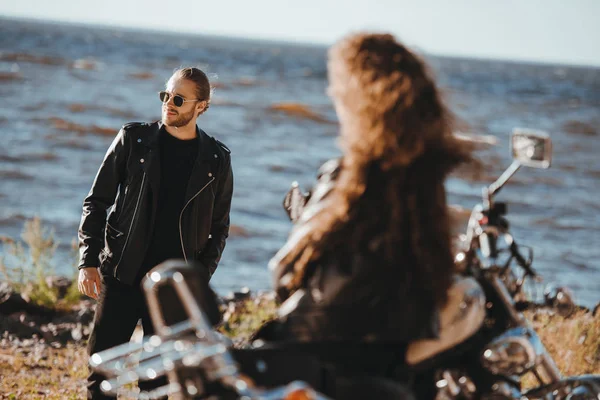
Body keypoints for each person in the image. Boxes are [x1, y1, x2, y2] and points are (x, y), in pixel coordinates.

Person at [264, 32, 474, 378]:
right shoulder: (424, 182)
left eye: (339, 89)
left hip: (319, 362)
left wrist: (309, 223)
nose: (332, 95)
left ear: (360, 102)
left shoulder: (350, 178)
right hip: (389, 369)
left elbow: (285, 275)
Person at [77, 67, 234, 399]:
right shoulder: (134, 140)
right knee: (101, 372)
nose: (169, 104)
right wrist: (87, 261)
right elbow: (96, 201)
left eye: (178, 99)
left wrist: (200, 275)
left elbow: (220, 228)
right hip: (122, 274)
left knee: (158, 384)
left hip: (169, 291)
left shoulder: (217, 159)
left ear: (201, 106)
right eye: (166, 95)